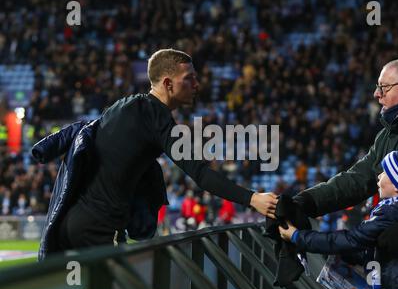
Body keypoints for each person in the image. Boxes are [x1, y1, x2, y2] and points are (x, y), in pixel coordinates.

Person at [34, 49, 277, 259]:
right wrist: (253, 199)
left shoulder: (124, 105)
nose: (196, 84)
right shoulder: (158, 119)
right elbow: (201, 175)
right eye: (189, 78)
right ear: (168, 83)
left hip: (74, 224)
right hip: (95, 230)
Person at [286, 58, 398, 259]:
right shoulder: (391, 131)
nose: (376, 94)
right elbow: (360, 177)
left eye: (384, 87)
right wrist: (309, 201)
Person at [279, 143, 398, 289]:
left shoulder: (394, 213)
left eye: (385, 172)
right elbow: (378, 248)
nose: (378, 176)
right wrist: (350, 256)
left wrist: (297, 236)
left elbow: (352, 239)